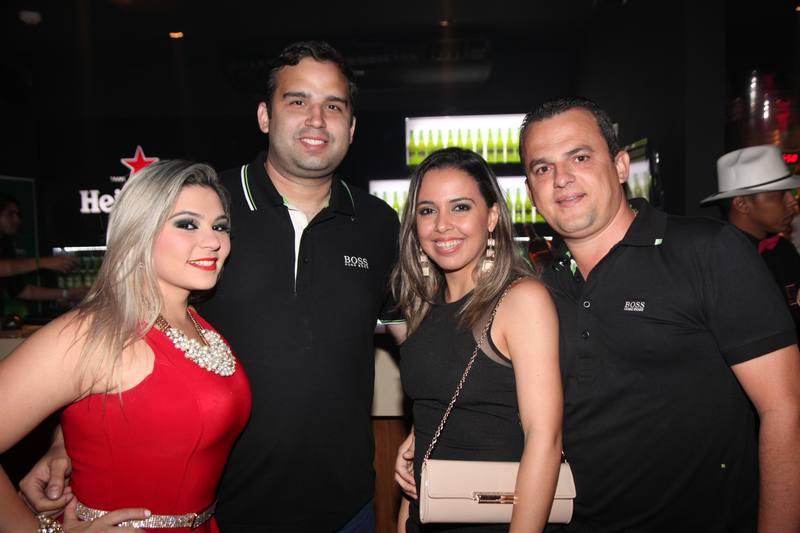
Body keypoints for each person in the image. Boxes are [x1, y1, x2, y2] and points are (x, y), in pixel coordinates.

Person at [20, 40, 404, 532]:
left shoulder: (378, 223)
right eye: (297, 101)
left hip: (347, 509)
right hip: (223, 510)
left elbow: (415, 338)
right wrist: (65, 441)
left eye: (333, 106)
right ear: (264, 116)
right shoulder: (207, 210)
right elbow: (112, 329)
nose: (316, 119)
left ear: (351, 127)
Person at [520, 97, 800, 531]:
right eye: (543, 168)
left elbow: (785, 409)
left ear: (620, 166)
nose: (561, 178)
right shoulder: (541, 290)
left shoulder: (709, 251)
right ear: (530, 193)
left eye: (580, 157)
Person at [0, 160, 251, 532]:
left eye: (220, 226)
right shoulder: (93, 332)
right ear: (139, 232)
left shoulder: (199, 321)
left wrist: (63, 443)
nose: (213, 240)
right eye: (187, 224)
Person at [392, 148, 562, 532]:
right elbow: (430, 420)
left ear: (493, 217)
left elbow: (545, 439)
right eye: (427, 210)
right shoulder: (423, 306)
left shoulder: (521, 300)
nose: (442, 225)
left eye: (460, 207)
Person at [700, 144, 800, 337]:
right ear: (742, 204)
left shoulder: (782, 249)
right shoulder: (715, 258)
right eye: (781, 195)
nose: (792, 202)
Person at [0, 194, 85, 306]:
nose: (17, 220)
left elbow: (24, 291)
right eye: (11, 214)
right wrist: (43, 262)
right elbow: (6, 268)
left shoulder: (6, 244)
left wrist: (69, 293)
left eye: (18, 215)